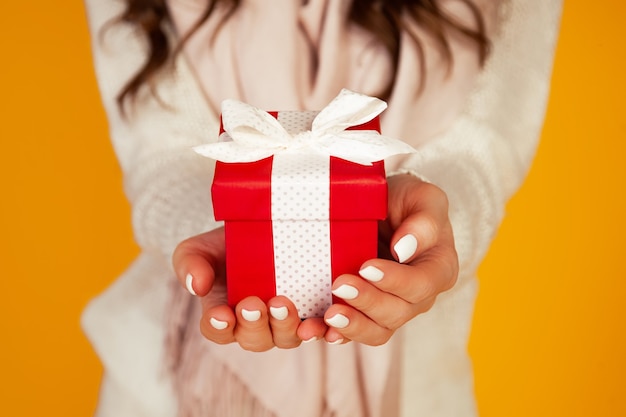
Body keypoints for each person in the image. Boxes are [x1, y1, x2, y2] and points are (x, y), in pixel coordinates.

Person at [81, 0, 563, 416]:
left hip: (417, 386)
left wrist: (430, 227)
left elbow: (483, 149)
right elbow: (161, 158)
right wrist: (236, 235)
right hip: (162, 380)